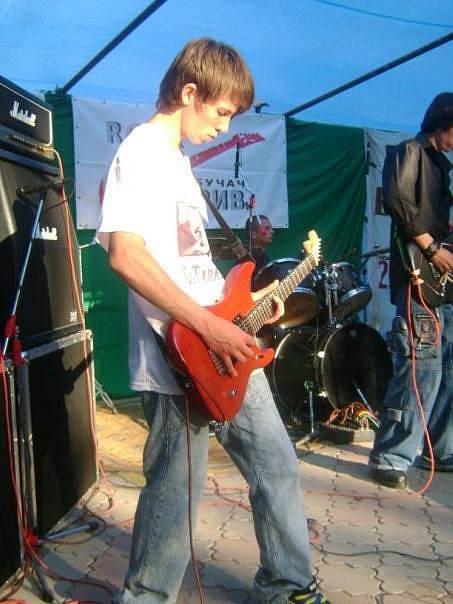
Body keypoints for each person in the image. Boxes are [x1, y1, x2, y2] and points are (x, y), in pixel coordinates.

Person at [97, 38, 331, 604]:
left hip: (229, 345)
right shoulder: (141, 151)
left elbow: (194, 269)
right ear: (189, 93)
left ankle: (287, 584)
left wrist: (254, 307)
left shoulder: (178, 161)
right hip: (178, 359)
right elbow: (125, 256)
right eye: (222, 112)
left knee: (276, 465)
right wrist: (209, 328)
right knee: (175, 493)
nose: (225, 128)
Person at [369, 92, 453, 489]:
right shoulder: (409, 151)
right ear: (444, 123)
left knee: (447, 367)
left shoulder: (441, 165)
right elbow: (398, 201)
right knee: (421, 368)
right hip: (418, 276)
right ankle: (390, 455)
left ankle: (439, 449)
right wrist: (433, 250)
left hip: (442, 281)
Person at [244, 213, 274, 289]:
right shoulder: (250, 258)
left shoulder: (262, 254)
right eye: (267, 228)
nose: (272, 231)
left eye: (271, 228)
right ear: (253, 235)